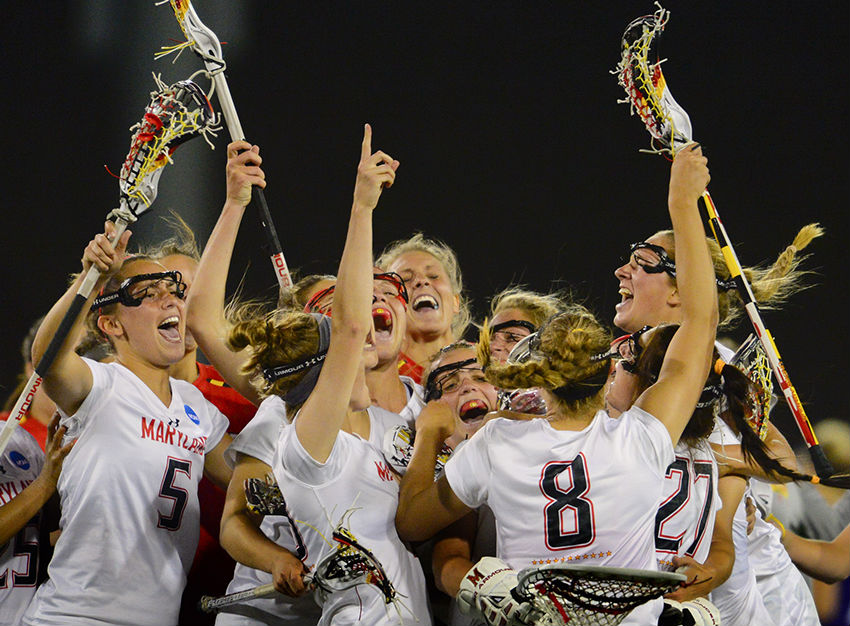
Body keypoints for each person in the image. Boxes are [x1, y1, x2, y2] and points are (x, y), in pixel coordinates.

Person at [396, 143, 717, 626]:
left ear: (540, 379)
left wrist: (427, 435)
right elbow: (701, 319)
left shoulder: (497, 442)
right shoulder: (643, 439)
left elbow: (411, 523)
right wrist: (682, 204)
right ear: (609, 372)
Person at [223, 126, 430, 624]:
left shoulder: (365, 439)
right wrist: (362, 208)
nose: (362, 352)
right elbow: (352, 324)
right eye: (346, 352)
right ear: (323, 375)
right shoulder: (308, 450)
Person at [22, 223, 233, 626]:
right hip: (72, 616)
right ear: (112, 325)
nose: (170, 300)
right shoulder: (99, 386)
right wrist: (92, 278)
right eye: (148, 294)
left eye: (174, 292)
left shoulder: (196, 407)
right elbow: (48, 355)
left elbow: (250, 478)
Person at [140, 214, 260, 624]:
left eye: (191, 292)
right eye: (166, 292)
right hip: (134, 592)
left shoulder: (242, 396)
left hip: (230, 590)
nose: (181, 305)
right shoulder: (106, 389)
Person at [0, 414, 74, 625]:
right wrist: (45, 483)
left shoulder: (19, 438)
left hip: (33, 618)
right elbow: (45, 483)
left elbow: (43, 537)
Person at [377, 233, 471, 384]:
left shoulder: (488, 363)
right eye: (405, 279)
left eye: (433, 276)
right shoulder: (376, 377)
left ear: (455, 302)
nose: (421, 281)